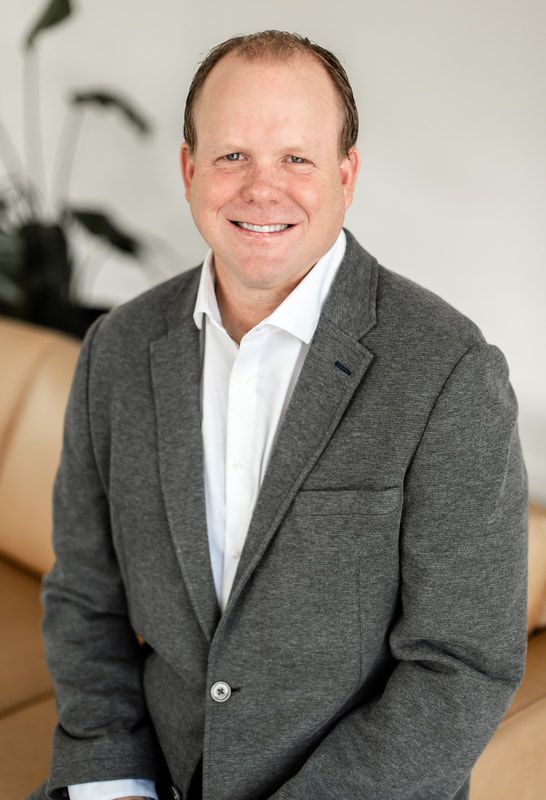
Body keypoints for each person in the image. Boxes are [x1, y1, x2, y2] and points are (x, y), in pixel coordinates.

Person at [31, 30, 528, 800]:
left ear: (345, 173)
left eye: (296, 157)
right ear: (190, 168)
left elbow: (460, 666)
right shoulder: (118, 350)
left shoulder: (450, 371)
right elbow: (85, 599)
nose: (263, 189)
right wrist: (114, 782)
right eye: (232, 155)